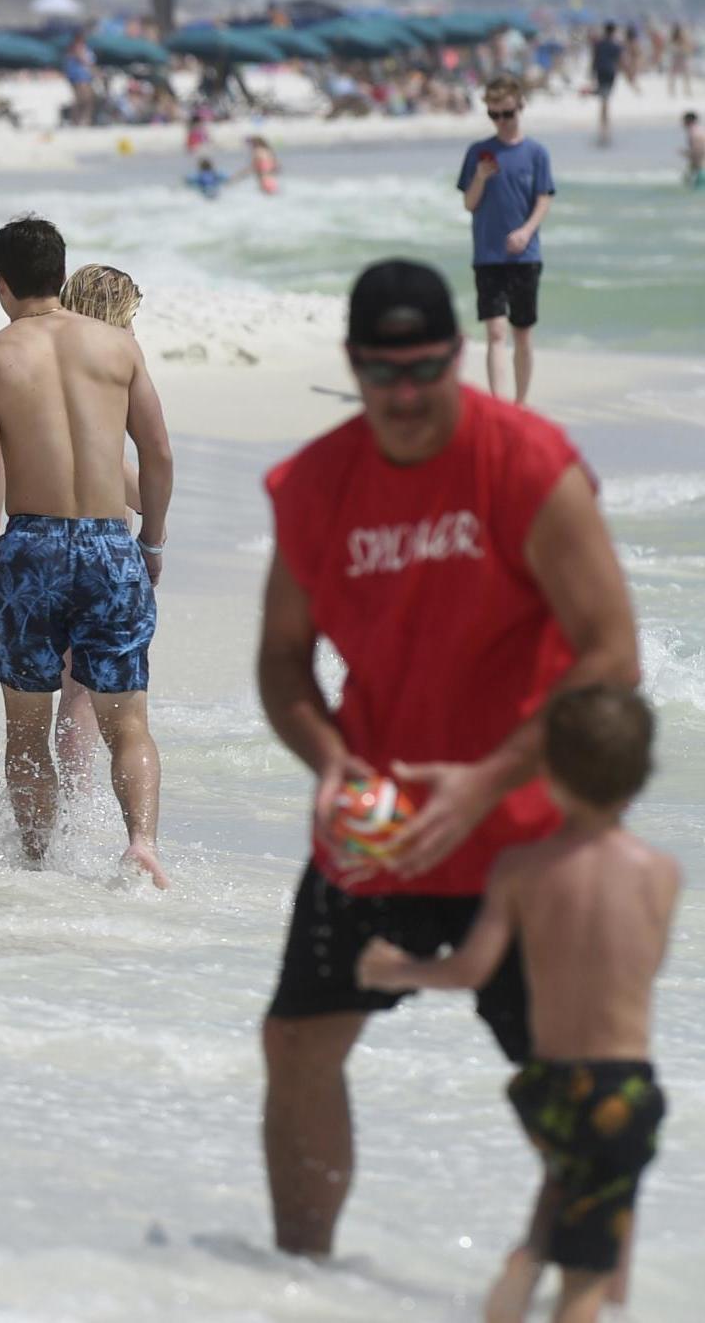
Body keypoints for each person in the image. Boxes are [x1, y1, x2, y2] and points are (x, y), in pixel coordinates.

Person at [254, 259, 640, 1261]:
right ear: (353, 365)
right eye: (386, 373)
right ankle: (298, 1281)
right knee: (296, 1041)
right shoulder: (315, 486)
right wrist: (329, 760)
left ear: (458, 355)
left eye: (427, 368)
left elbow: (612, 654)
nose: (409, 394)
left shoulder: (525, 461)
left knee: (571, 1090)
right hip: (380, 819)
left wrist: (486, 779)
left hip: (526, 827)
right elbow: (281, 662)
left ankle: (580, 1288)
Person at [358, 687, 677, 1323]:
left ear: (550, 775)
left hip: (546, 1087)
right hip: (620, 1089)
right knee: (588, 1272)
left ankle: (521, 1274)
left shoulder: (520, 868)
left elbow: (471, 969)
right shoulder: (659, 872)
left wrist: (398, 970)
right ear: (641, 776)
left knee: (552, 1217)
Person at [0, 216, 174, 888]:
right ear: (60, 271)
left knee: (26, 724)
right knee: (128, 718)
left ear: (1, 281)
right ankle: (141, 845)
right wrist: (151, 538)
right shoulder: (117, 348)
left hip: (32, 546)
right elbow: (157, 453)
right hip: (109, 540)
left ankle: (39, 856)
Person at [50, 264, 147, 793]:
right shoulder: (112, 361)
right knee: (83, 688)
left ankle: (52, 795)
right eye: (131, 319)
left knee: (50, 686)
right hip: (98, 537)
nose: (135, 332)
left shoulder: (45, 352)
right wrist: (151, 514)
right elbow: (108, 457)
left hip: (39, 534)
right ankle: (76, 798)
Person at [459, 77, 554, 406]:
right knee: (495, 333)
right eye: (493, 115)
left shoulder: (536, 153)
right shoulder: (477, 153)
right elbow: (469, 204)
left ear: (520, 108)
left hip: (525, 255)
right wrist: (480, 179)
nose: (501, 121)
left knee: (522, 332)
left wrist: (526, 231)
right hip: (487, 255)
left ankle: (521, 403)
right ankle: (500, 406)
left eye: (507, 114)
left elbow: (544, 199)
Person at [589, 22, 623, 146]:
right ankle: (605, 127)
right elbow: (619, 60)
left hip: (600, 72)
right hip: (610, 73)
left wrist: (591, 74)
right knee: (605, 99)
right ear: (613, 31)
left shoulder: (599, 44)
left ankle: (603, 127)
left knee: (603, 100)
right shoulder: (615, 45)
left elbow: (594, 59)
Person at [62, 32, 97, 127]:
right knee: (80, 99)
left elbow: (91, 64)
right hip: (77, 78)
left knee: (89, 98)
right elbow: (81, 60)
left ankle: (86, 119)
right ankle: (76, 120)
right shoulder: (72, 51)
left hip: (86, 78)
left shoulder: (87, 50)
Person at [681, 110, 703, 188]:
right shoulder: (700, 130)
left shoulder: (694, 133)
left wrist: (686, 153)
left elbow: (698, 152)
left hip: (701, 169)